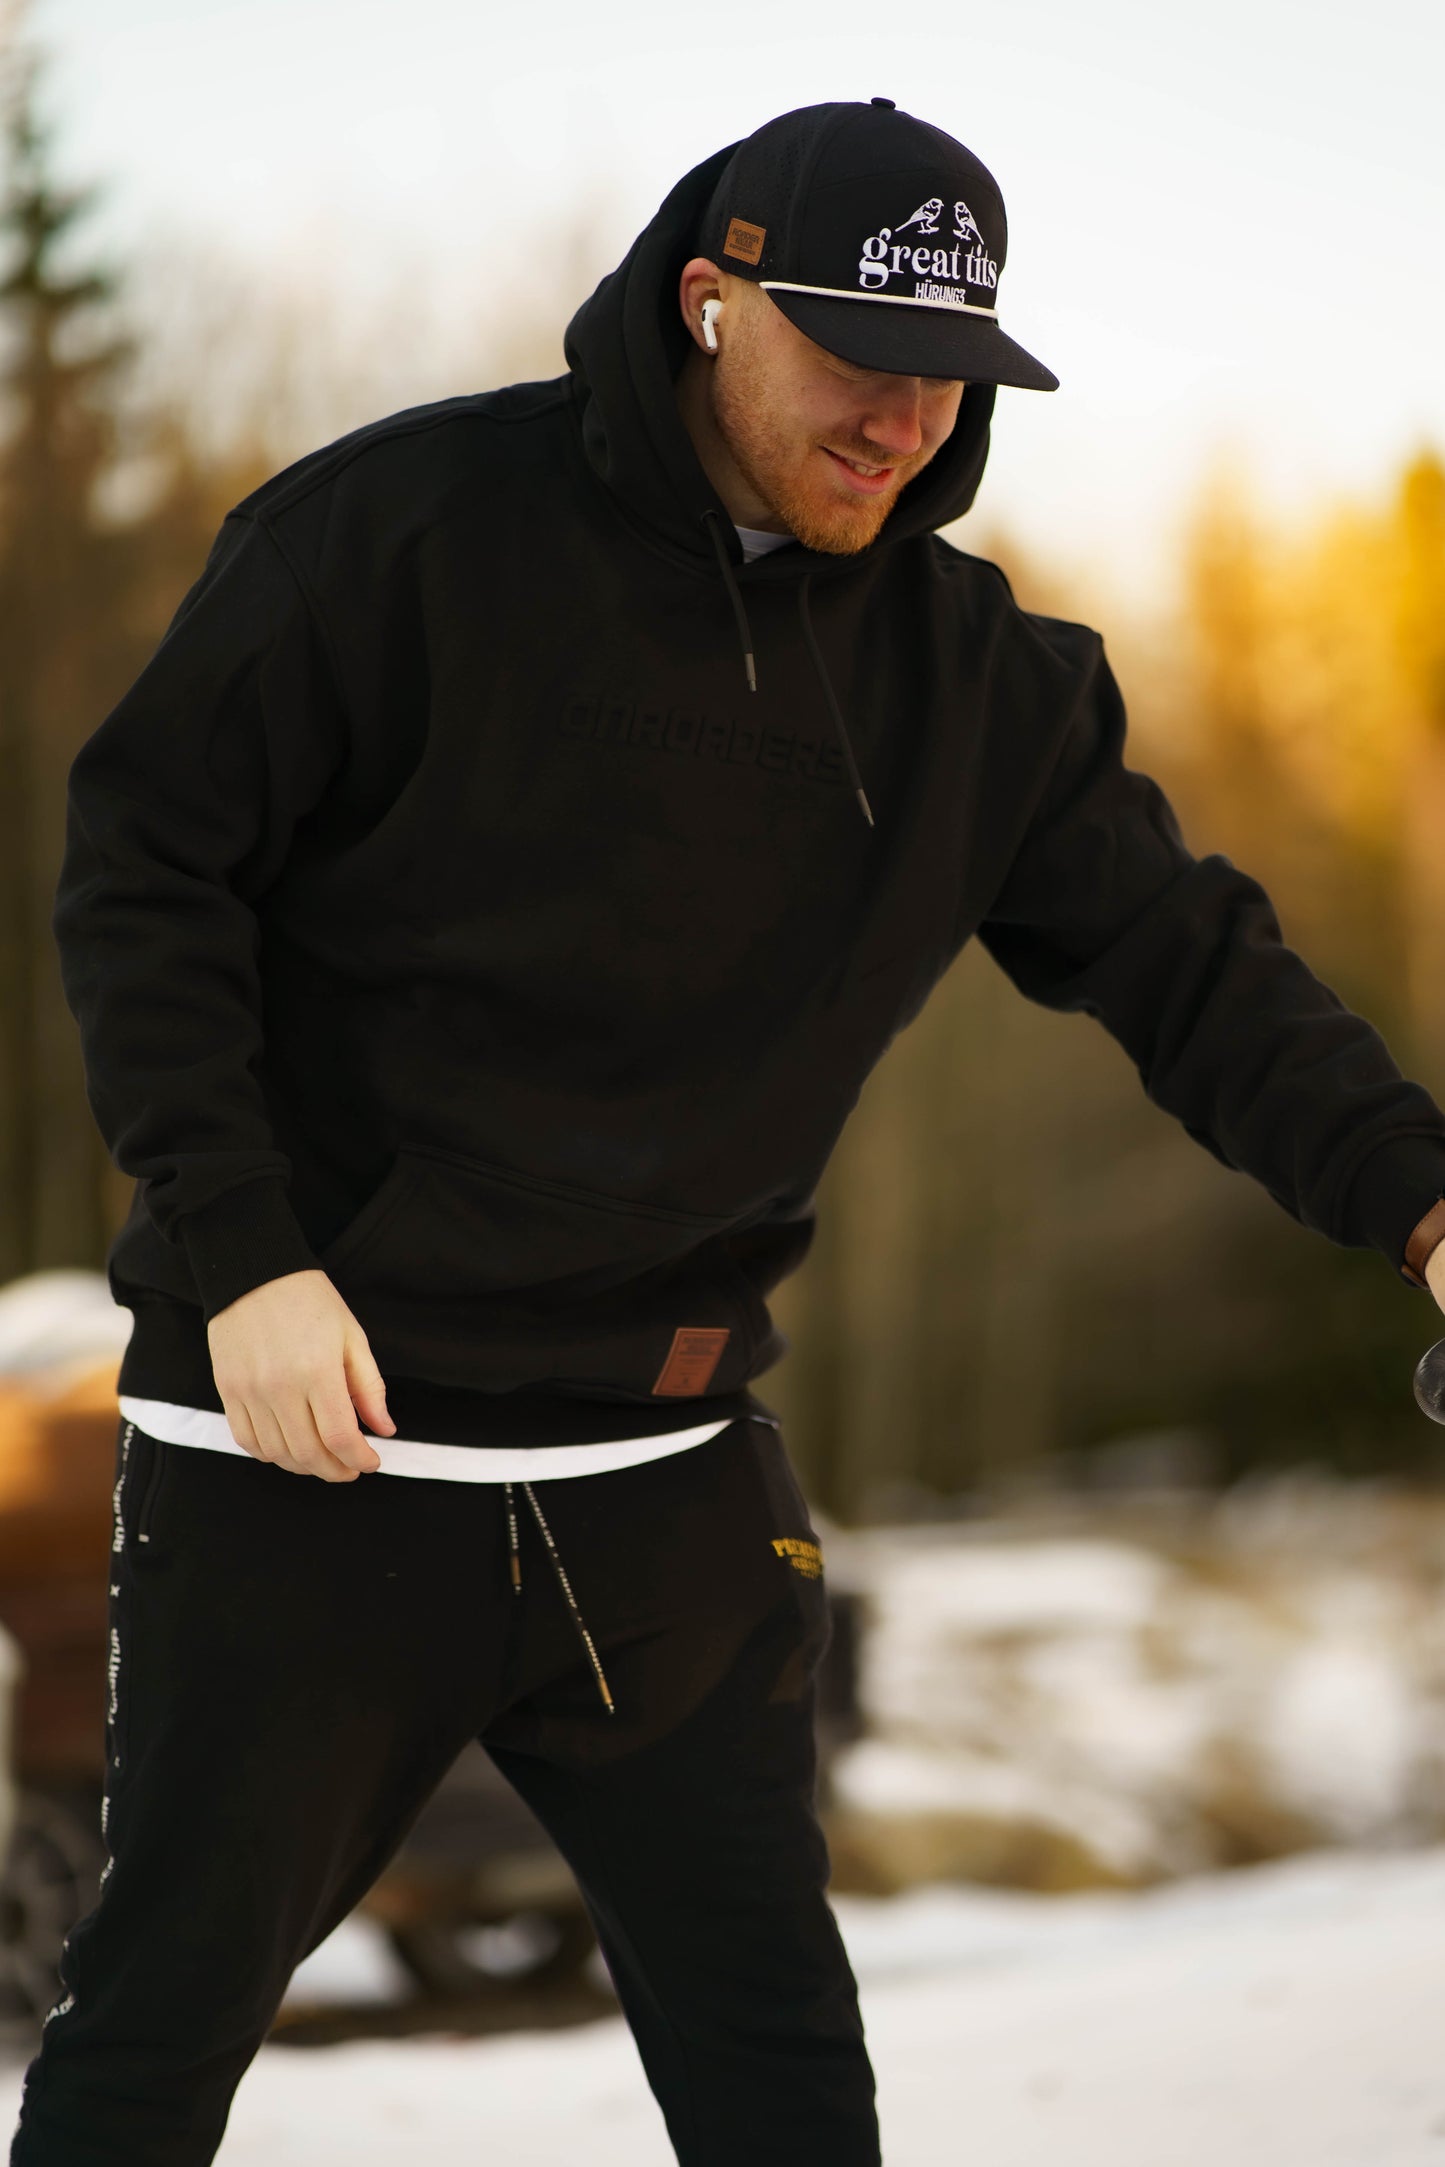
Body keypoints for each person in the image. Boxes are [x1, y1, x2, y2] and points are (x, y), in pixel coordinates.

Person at [14, 94, 1445, 2166]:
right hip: (309, 1448)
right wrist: (239, 1249)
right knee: (150, 2049)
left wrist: (1420, 1202)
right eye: (859, 362)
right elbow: (146, 872)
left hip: (664, 1475)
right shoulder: (397, 537)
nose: (904, 424)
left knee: (783, 2073)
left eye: (948, 378)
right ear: (709, 304)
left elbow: (1193, 972)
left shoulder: (979, 684)